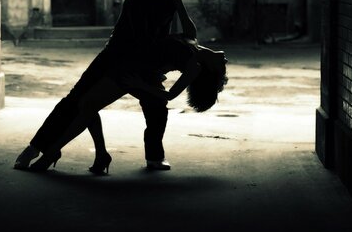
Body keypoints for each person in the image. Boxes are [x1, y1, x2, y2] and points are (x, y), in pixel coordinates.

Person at [14, 0, 197, 172]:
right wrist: (160, 60)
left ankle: (154, 157)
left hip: (144, 61)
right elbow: (143, 41)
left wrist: (178, 3)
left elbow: (188, 35)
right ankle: (35, 147)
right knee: (76, 99)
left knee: (157, 107)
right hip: (116, 56)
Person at [27, 34, 228, 173]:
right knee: (87, 104)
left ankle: (55, 154)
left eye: (222, 68)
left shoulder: (195, 65)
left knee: (87, 104)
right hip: (129, 65)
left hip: (135, 75)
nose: (225, 60)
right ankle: (99, 155)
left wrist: (140, 84)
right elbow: (177, 14)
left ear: (210, 69)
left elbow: (169, 96)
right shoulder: (193, 39)